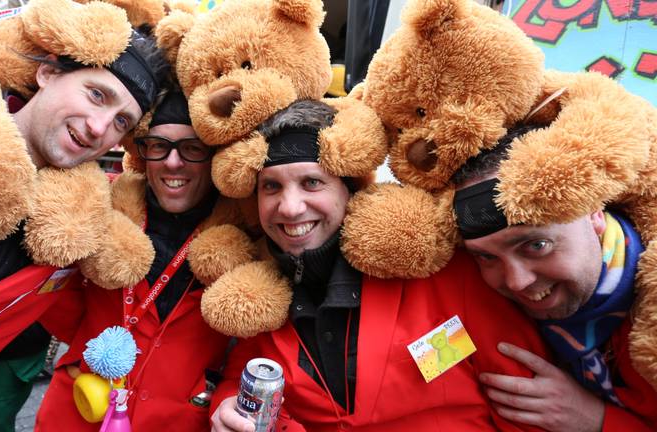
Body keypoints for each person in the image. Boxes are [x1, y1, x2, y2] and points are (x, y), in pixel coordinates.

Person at [208, 100, 552, 431]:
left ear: (349, 188)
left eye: (312, 182)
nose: (291, 207)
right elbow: (238, 381)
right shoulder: (260, 299)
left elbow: (530, 408)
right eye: (272, 187)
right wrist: (226, 408)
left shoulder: (440, 270)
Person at [0, 25, 169, 431]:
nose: (98, 127)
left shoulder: (71, 236)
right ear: (49, 73)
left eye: (120, 121)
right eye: (96, 94)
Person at [35, 89, 235, 431]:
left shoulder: (243, 238)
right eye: (159, 145)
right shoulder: (101, 208)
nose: (173, 162)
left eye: (192, 148)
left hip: (176, 421)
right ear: (143, 152)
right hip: (78, 411)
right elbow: (55, 302)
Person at [450, 124, 657, 431]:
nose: (516, 281)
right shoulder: (477, 295)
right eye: (486, 257)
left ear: (594, 213)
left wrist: (596, 420)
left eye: (536, 245)